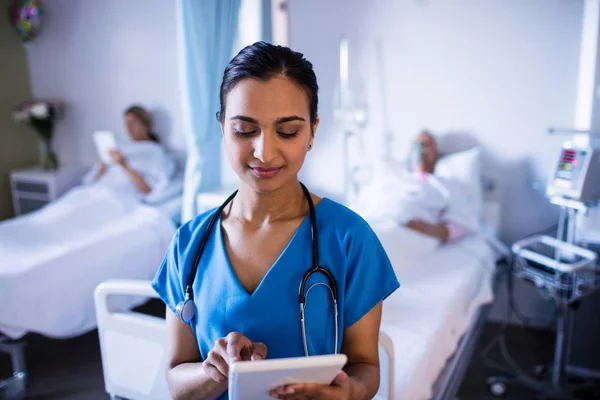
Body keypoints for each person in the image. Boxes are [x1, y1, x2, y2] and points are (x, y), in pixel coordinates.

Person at [151, 42, 400, 400]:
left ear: (312, 131)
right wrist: (213, 371)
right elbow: (176, 379)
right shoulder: (188, 244)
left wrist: (347, 394)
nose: (264, 152)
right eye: (244, 130)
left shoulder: (350, 239)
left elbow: (365, 367)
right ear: (222, 127)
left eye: (287, 131)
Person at [82, 105, 175, 200]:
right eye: (126, 123)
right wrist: (102, 167)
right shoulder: (120, 148)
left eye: (133, 122)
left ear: (145, 124)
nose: (129, 127)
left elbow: (149, 189)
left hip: (117, 197)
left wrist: (124, 164)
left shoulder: (155, 151)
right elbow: (89, 182)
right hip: (96, 192)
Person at [402, 130, 472, 242]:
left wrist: (429, 229)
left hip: (410, 233)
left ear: (436, 153)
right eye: (416, 145)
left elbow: (459, 227)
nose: (420, 149)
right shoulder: (396, 179)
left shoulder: (448, 185)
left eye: (425, 145)